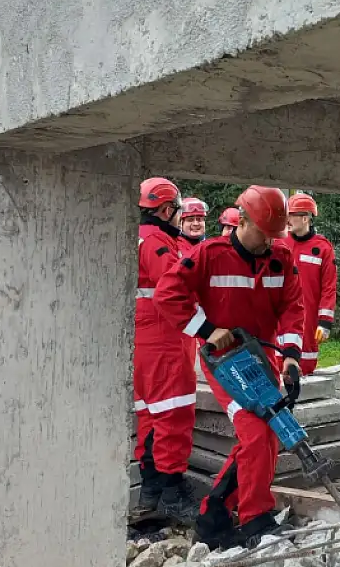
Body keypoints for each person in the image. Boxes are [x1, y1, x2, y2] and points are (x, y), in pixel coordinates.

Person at [154, 185, 305, 549]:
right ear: (244, 220)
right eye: (264, 233)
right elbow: (166, 294)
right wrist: (207, 330)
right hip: (225, 363)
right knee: (257, 433)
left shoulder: (281, 257)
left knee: (268, 433)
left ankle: (213, 517)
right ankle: (254, 519)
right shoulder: (210, 254)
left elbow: (292, 307)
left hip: (261, 360)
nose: (269, 242)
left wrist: (290, 355)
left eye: (274, 236)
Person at [132, 178, 199, 523]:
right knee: (173, 413)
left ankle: (152, 490)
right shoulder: (157, 241)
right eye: (177, 210)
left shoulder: (136, 235)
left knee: (150, 415)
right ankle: (172, 492)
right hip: (165, 339)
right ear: (166, 209)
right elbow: (174, 288)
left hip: (145, 339)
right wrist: (207, 327)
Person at [277, 193, 338, 375]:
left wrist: (325, 322)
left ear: (305, 218)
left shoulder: (323, 248)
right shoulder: (280, 242)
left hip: (308, 319)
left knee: (304, 367)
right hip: (279, 315)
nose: (287, 220)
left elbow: (329, 287)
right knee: (275, 363)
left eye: (291, 215)